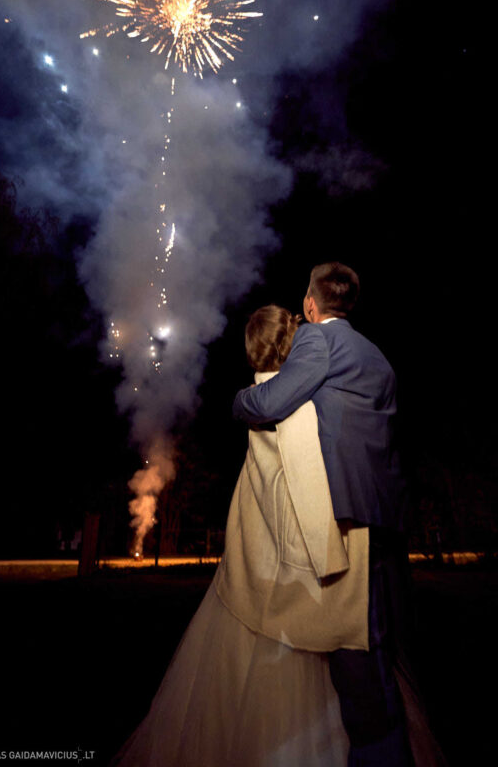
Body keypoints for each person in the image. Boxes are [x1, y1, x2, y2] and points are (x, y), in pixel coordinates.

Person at [110, 305, 371, 767]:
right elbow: (313, 495)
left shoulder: (255, 399)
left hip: (252, 564)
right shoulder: (300, 409)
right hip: (296, 568)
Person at [233, 263, 446, 767]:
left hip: (350, 521)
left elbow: (272, 401)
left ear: (311, 305)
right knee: (384, 656)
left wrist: (239, 400)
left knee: (359, 669)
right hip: (388, 520)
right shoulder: (377, 356)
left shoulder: (316, 343)